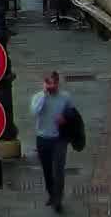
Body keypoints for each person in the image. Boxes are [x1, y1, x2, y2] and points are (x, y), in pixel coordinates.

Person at [31, 71, 78, 211]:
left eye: (54, 83)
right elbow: (35, 112)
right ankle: (52, 193)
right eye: (49, 83)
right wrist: (45, 94)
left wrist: (66, 119)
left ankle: (58, 199)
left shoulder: (65, 97)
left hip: (59, 139)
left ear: (58, 83)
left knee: (58, 171)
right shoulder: (38, 97)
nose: (52, 86)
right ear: (44, 83)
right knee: (47, 170)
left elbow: (74, 115)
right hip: (42, 138)